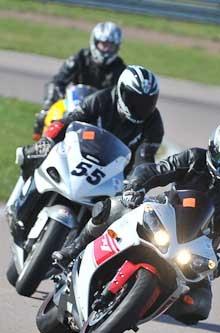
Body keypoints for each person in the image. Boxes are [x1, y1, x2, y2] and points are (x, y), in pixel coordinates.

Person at [51, 123, 220, 325]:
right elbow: (155, 171)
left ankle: (139, 304)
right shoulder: (195, 158)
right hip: (165, 214)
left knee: (199, 306)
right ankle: (74, 249)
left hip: (197, 245)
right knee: (114, 207)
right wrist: (135, 187)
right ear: (213, 151)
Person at [9, 65, 163, 241]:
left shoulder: (154, 123)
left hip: (116, 174)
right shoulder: (102, 99)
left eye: (147, 102)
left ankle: (81, 253)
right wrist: (47, 141)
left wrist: (137, 181)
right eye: (134, 99)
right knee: (38, 155)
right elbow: (68, 120)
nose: (140, 107)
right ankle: (20, 206)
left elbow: (145, 157)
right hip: (83, 154)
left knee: (117, 216)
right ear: (121, 91)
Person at [33, 22, 126, 140]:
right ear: (95, 42)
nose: (106, 49)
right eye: (103, 44)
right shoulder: (80, 57)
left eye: (110, 45)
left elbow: (122, 98)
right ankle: (40, 147)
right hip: (73, 106)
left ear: (117, 47)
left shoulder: (120, 69)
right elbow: (57, 81)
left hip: (100, 113)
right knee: (45, 116)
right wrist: (51, 102)